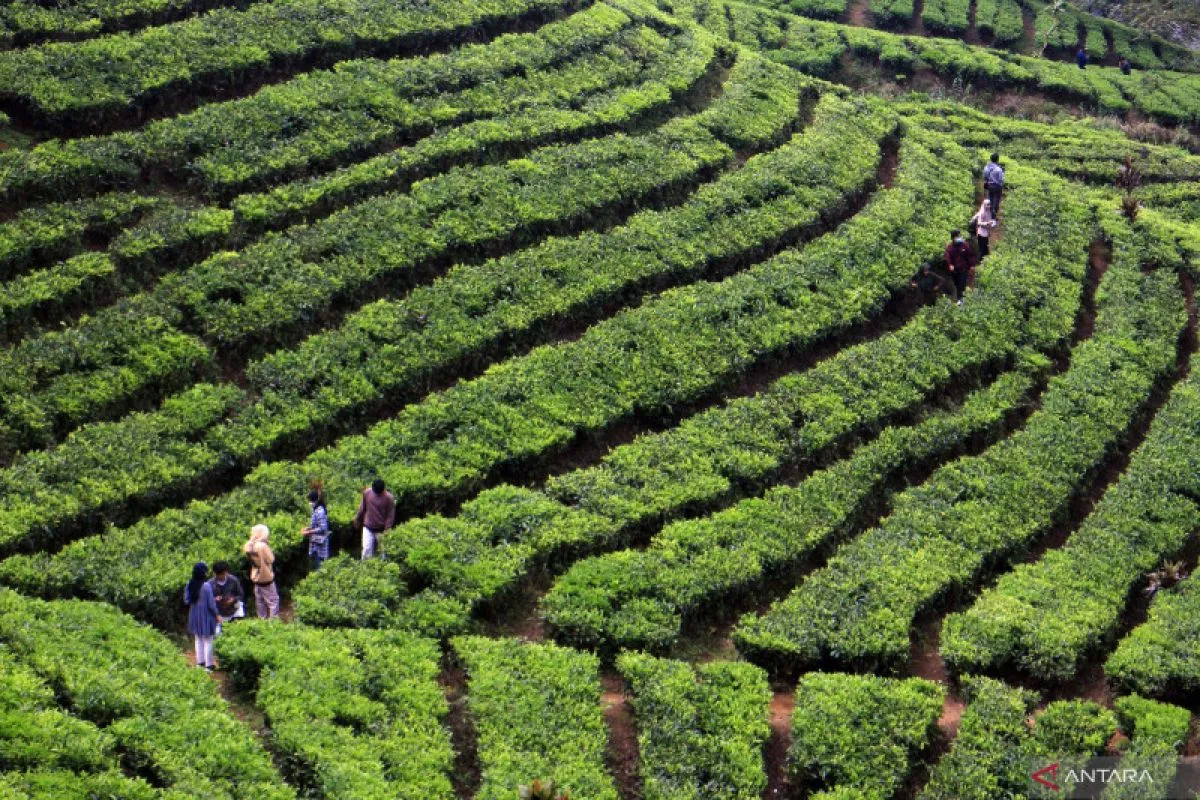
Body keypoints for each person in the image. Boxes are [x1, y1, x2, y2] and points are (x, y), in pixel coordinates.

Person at [185, 562, 220, 671]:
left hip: (194, 614)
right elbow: (211, 604)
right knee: (208, 639)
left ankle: (200, 663)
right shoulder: (206, 586)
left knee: (198, 638)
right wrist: (217, 614)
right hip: (206, 614)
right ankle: (209, 665)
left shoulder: (189, 584)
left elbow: (186, 600)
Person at [353, 478, 395, 560]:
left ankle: (383, 566)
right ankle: (365, 567)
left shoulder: (389, 498)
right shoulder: (367, 493)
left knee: (384, 553)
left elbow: (390, 516)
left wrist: (387, 529)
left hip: (381, 530)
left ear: (383, 489)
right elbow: (362, 508)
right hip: (368, 527)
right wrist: (357, 518)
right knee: (366, 550)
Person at [243, 524, 279, 619]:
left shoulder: (249, 545)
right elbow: (271, 559)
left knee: (260, 601)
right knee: (273, 601)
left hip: (256, 575)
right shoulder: (262, 546)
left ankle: (261, 620)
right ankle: (273, 622)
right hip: (265, 576)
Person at [209, 561, 244, 629]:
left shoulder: (233, 580)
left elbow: (241, 595)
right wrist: (214, 599)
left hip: (234, 609)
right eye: (218, 574)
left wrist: (233, 599)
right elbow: (207, 601)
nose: (221, 576)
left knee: (238, 627)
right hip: (220, 612)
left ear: (226, 572)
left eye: (223, 574)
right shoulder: (210, 584)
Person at [302, 489, 331, 571]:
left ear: (314, 500)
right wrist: (308, 528)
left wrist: (309, 532)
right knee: (316, 566)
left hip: (320, 544)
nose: (309, 503)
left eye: (310, 501)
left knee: (321, 567)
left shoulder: (320, 511)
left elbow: (323, 528)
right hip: (316, 542)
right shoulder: (315, 509)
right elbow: (316, 524)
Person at [945, 230, 975, 306]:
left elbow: (969, 255)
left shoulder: (964, 245)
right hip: (954, 270)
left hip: (963, 268)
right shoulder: (950, 247)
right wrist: (950, 264)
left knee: (961, 284)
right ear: (953, 238)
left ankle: (960, 299)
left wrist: (971, 265)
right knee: (956, 283)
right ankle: (959, 297)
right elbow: (948, 257)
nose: (959, 237)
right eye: (957, 236)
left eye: (959, 236)